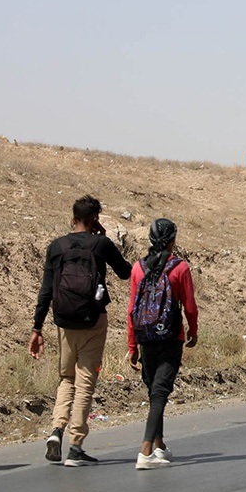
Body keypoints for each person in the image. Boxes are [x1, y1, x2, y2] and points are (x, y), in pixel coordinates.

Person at [29, 195, 132, 467]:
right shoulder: (102, 244)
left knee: (66, 378)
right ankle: (75, 445)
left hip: (63, 321)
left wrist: (36, 328)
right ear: (94, 219)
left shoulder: (56, 246)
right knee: (85, 380)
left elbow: (46, 290)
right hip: (93, 320)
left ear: (73, 217)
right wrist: (104, 238)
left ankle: (56, 431)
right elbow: (125, 273)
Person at [127, 218, 198, 470]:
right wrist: (194, 330)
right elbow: (189, 306)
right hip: (170, 337)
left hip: (145, 338)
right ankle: (145, 451)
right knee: (159, 394)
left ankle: (159, 446)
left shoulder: (138, 268)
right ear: (172, 240)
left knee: (154, 392)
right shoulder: (180, 268)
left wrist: (132, 346)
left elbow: (131, 310)